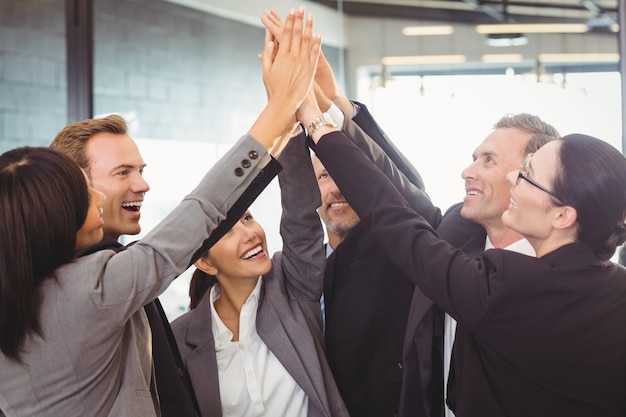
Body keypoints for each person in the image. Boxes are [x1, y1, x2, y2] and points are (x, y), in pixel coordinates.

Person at [0, 9, 319, 416]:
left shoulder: (24, 292)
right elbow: (202, 210)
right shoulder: (91, 290)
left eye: (141, 170)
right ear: (49, 213)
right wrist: (281, 105)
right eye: (85, 192)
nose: (139, 186)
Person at [300, 84, 626, 416]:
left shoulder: (503, 287)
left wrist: (314, 122)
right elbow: (404, 199)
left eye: (528, 176)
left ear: (562, 215)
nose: (515, 177)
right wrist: (339, 112)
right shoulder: (615, 289)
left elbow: (391, 216)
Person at [435, 116, 559, 417]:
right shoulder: (453, 239)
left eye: (488, 161)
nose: (467, 172)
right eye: (474, 158)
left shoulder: (569, 286)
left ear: (530, 179)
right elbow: (395, 202)